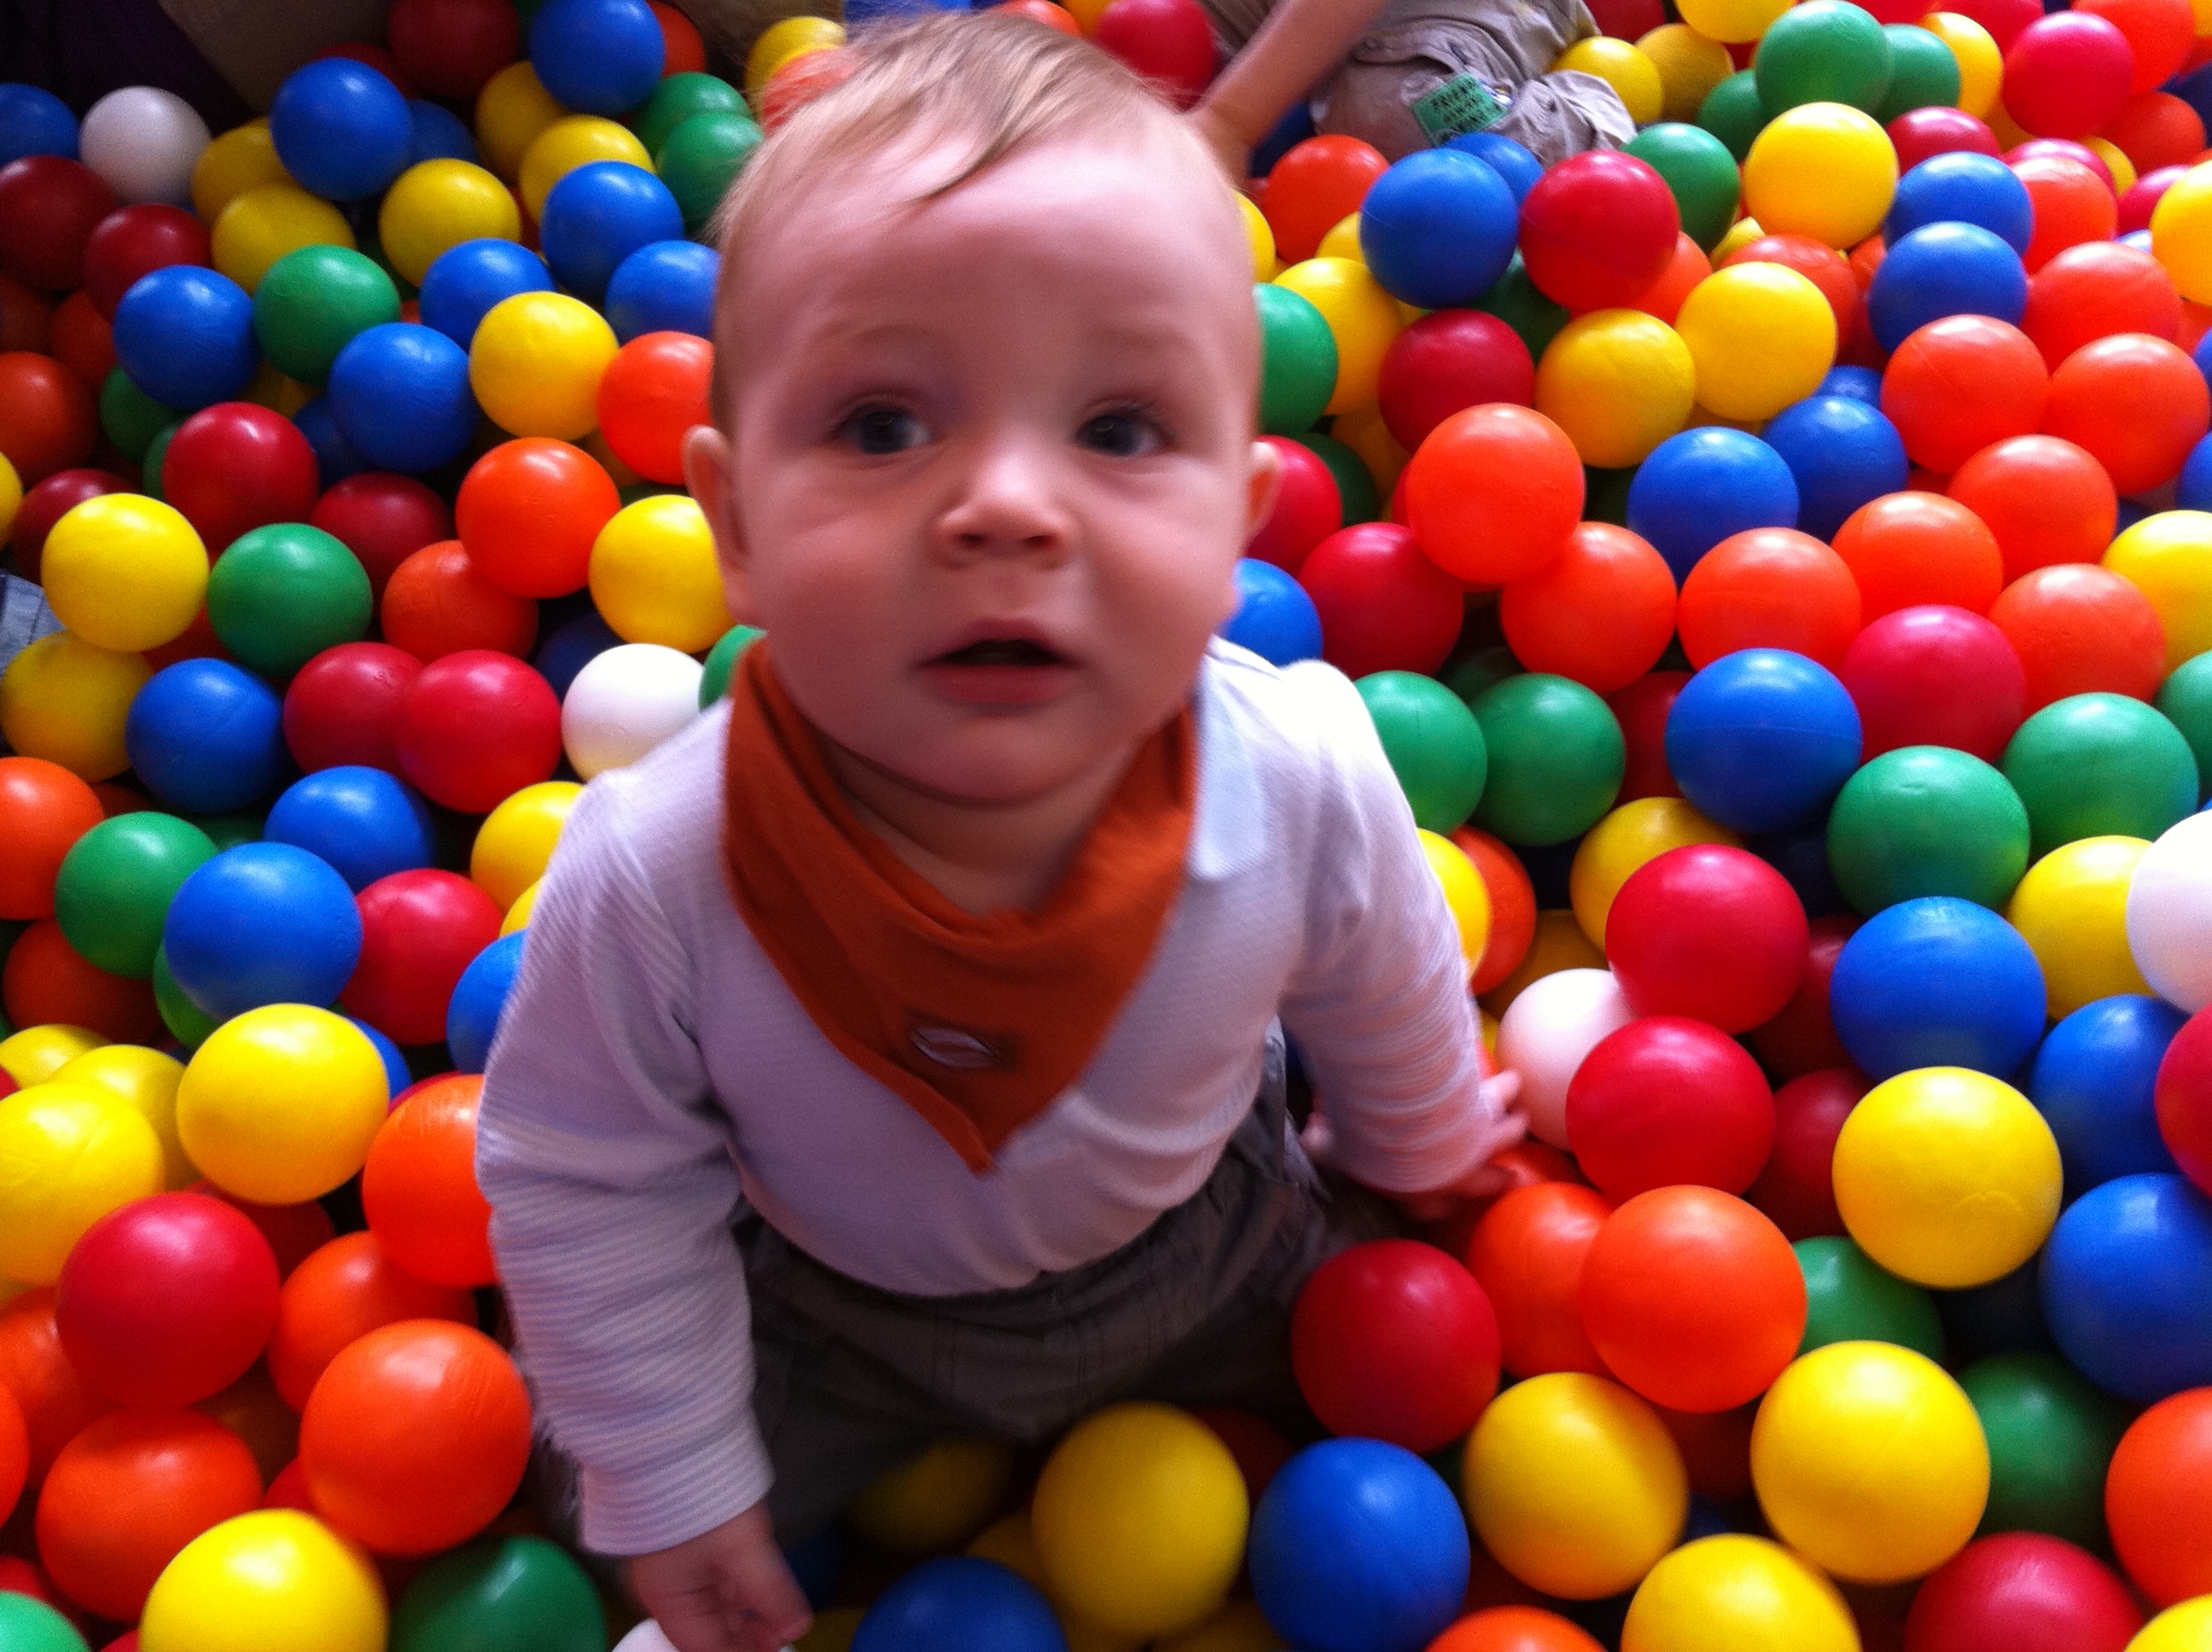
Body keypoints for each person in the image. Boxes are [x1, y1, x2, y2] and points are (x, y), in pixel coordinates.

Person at [474, 15, 1524, 1651]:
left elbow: (1379, 975)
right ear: (735, 526)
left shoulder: (1298, 765)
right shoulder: (658, 868)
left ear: (1236, 527)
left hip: (1219, 1241)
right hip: (827, 1315)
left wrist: (1423, 1139)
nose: (1008, 508)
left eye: (1119, 429)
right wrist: (677, 1479)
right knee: (578, 1497)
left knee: (1440, 1391)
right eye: (883, 426)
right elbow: (587, 1175)